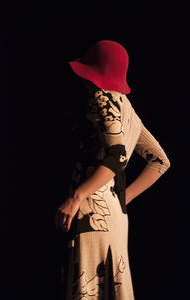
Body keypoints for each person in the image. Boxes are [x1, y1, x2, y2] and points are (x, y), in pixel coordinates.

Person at [54, 40, 171, 300]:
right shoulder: (128, 110)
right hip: (115, 217)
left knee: (85, 290)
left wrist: (77, 196)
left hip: (91, 213)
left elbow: (116, 156)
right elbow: (160, 162)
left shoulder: (101, 99)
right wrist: (123, 198)